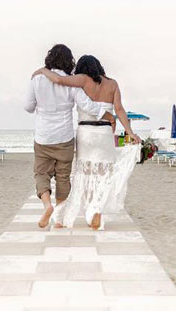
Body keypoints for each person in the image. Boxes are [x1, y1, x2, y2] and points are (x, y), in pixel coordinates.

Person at [33, 55, 141, 230]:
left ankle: (64, 217)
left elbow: (59, 79)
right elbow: (119, 110)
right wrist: (131, 133)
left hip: (86, 133)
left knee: (84, 174)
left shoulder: (82, 80)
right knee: (103, 174)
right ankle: (95, 209)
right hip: (105, 133)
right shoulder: (112, 84)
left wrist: (43, 70)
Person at [24, 44, 116, 228]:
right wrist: (109, 116)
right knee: (63, 177)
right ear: (69, 61)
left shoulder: (37, 79)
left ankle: (46, 204)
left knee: (41, 173)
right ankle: (58, 219)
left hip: (43, 136)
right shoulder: (71, 82)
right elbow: (88, 105)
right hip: (65, 137)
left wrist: (41, 105)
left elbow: (28, 107)